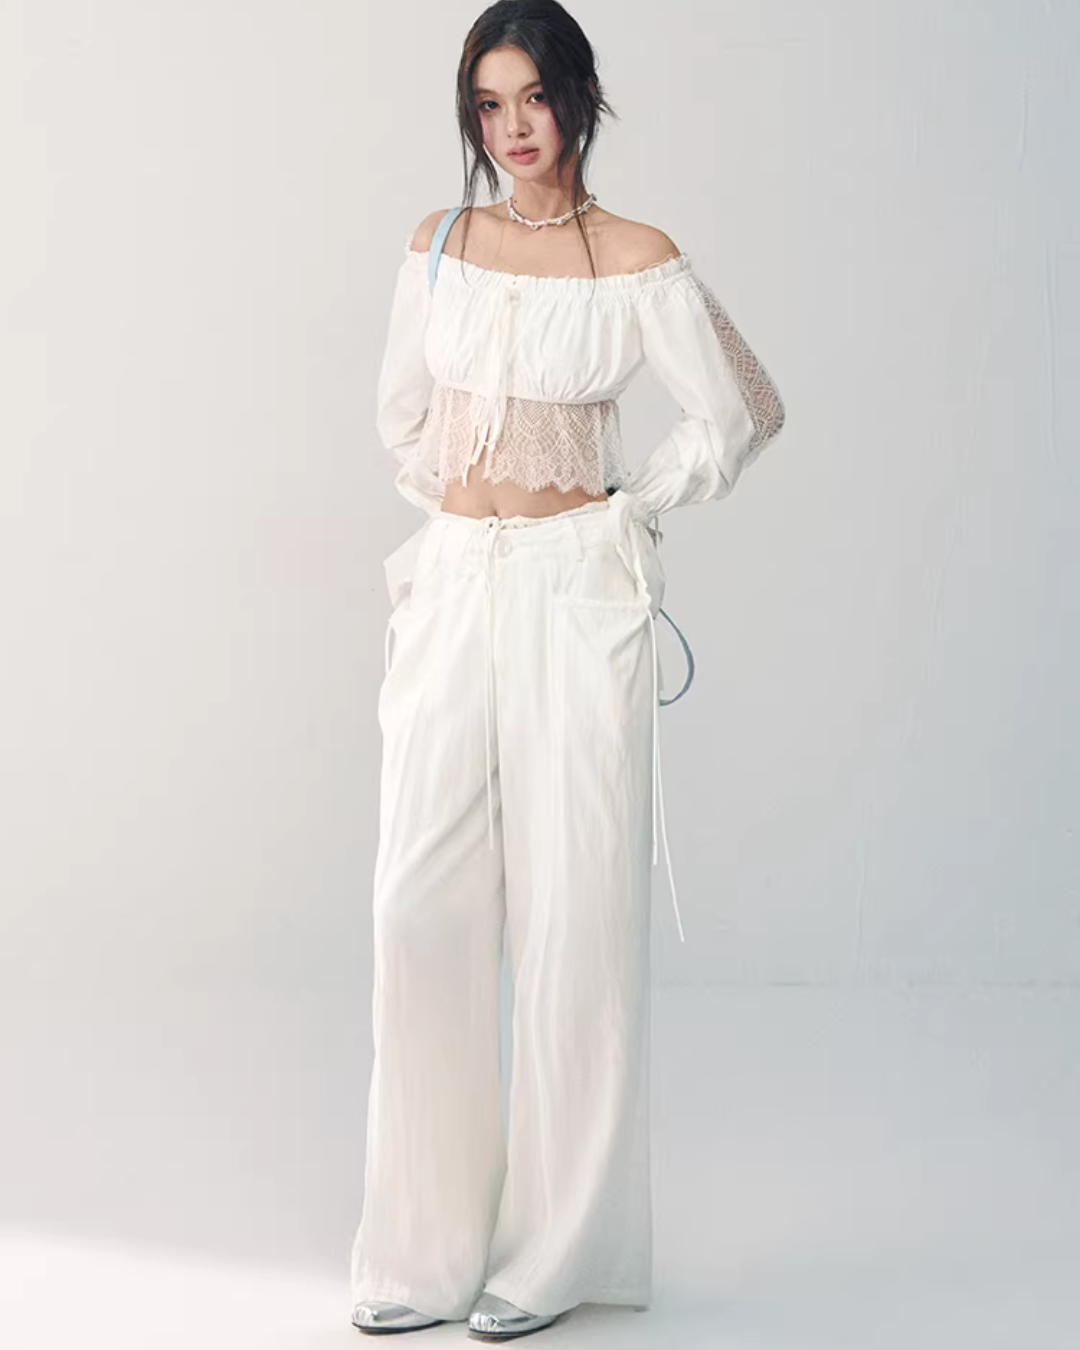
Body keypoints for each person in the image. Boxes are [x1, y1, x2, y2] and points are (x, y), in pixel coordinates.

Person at [350, 0, 785, 1339]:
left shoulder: (637, 258)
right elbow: (403, 417)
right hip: (454, 587)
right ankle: (424, 1250)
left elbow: (742, 409)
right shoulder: (439, 246)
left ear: (580, 97)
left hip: (578, 597)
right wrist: (464, 506)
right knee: (417, 908)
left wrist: (626, 509)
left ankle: (556, 1253)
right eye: (489, 105)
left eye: (534, 96)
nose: (514, 127)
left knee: (576, 923)